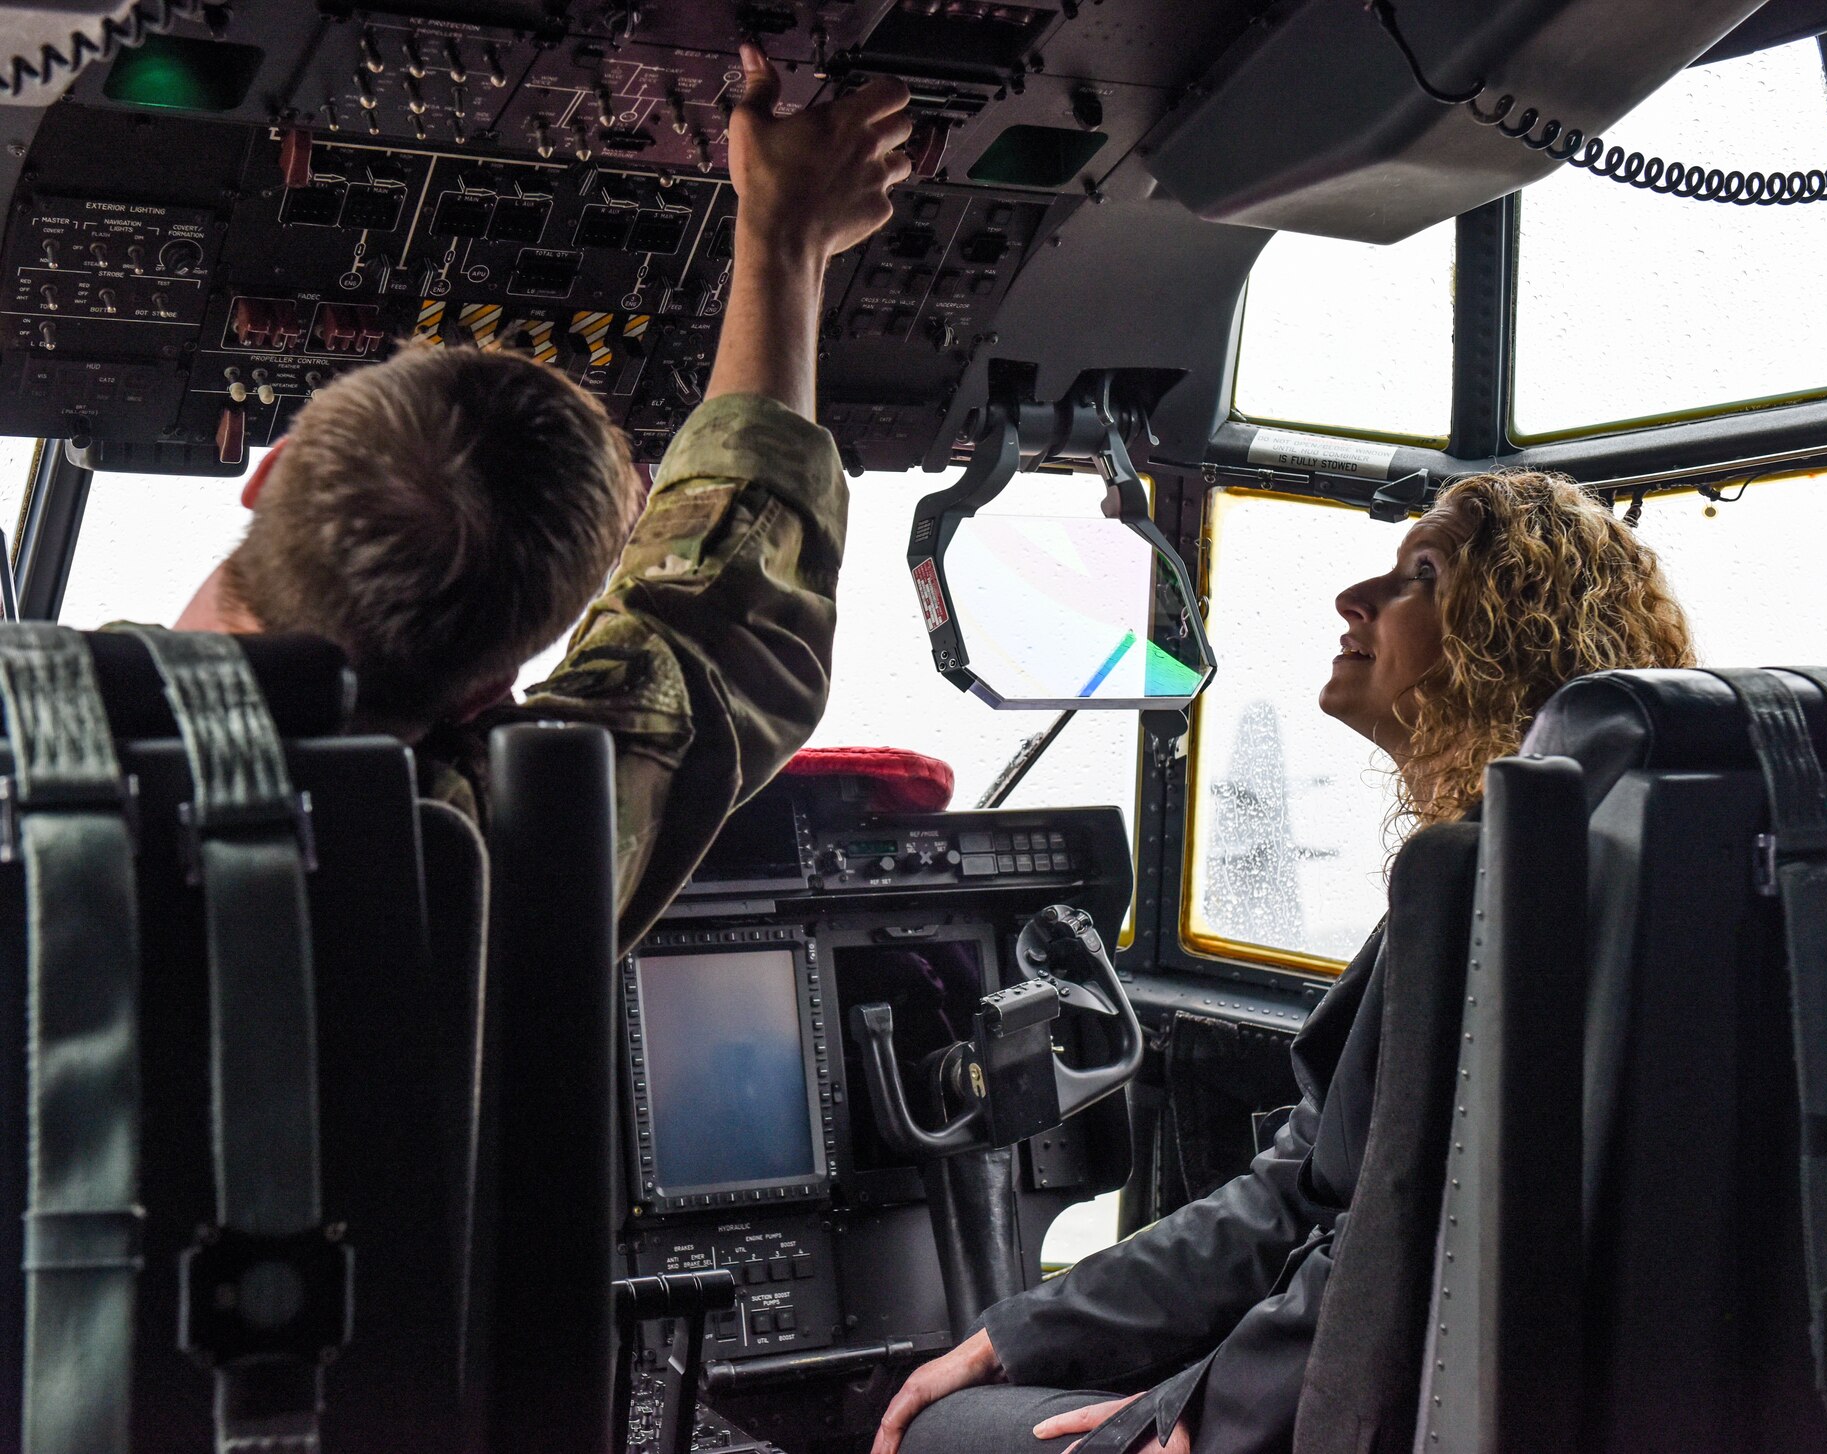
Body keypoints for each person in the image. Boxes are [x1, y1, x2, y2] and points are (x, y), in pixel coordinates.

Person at [872, 471, 1696, 1454]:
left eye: (1419, 575)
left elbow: (1383, 1228)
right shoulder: (1605, 878)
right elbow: (1330, 1201)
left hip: (1391, 1402)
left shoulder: (1479, 890)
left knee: (935, 1427)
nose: (1354, 597)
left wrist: (1202, 1409)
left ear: (1506, 640)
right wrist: (1023, 1333)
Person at [172, 48, 912, 948]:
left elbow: (727, 619)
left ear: (269, 470)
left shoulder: (33, 732)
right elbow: (723, 614)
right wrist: (781, 240)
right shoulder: (512, 851)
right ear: (491, 694)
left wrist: (784, 231)